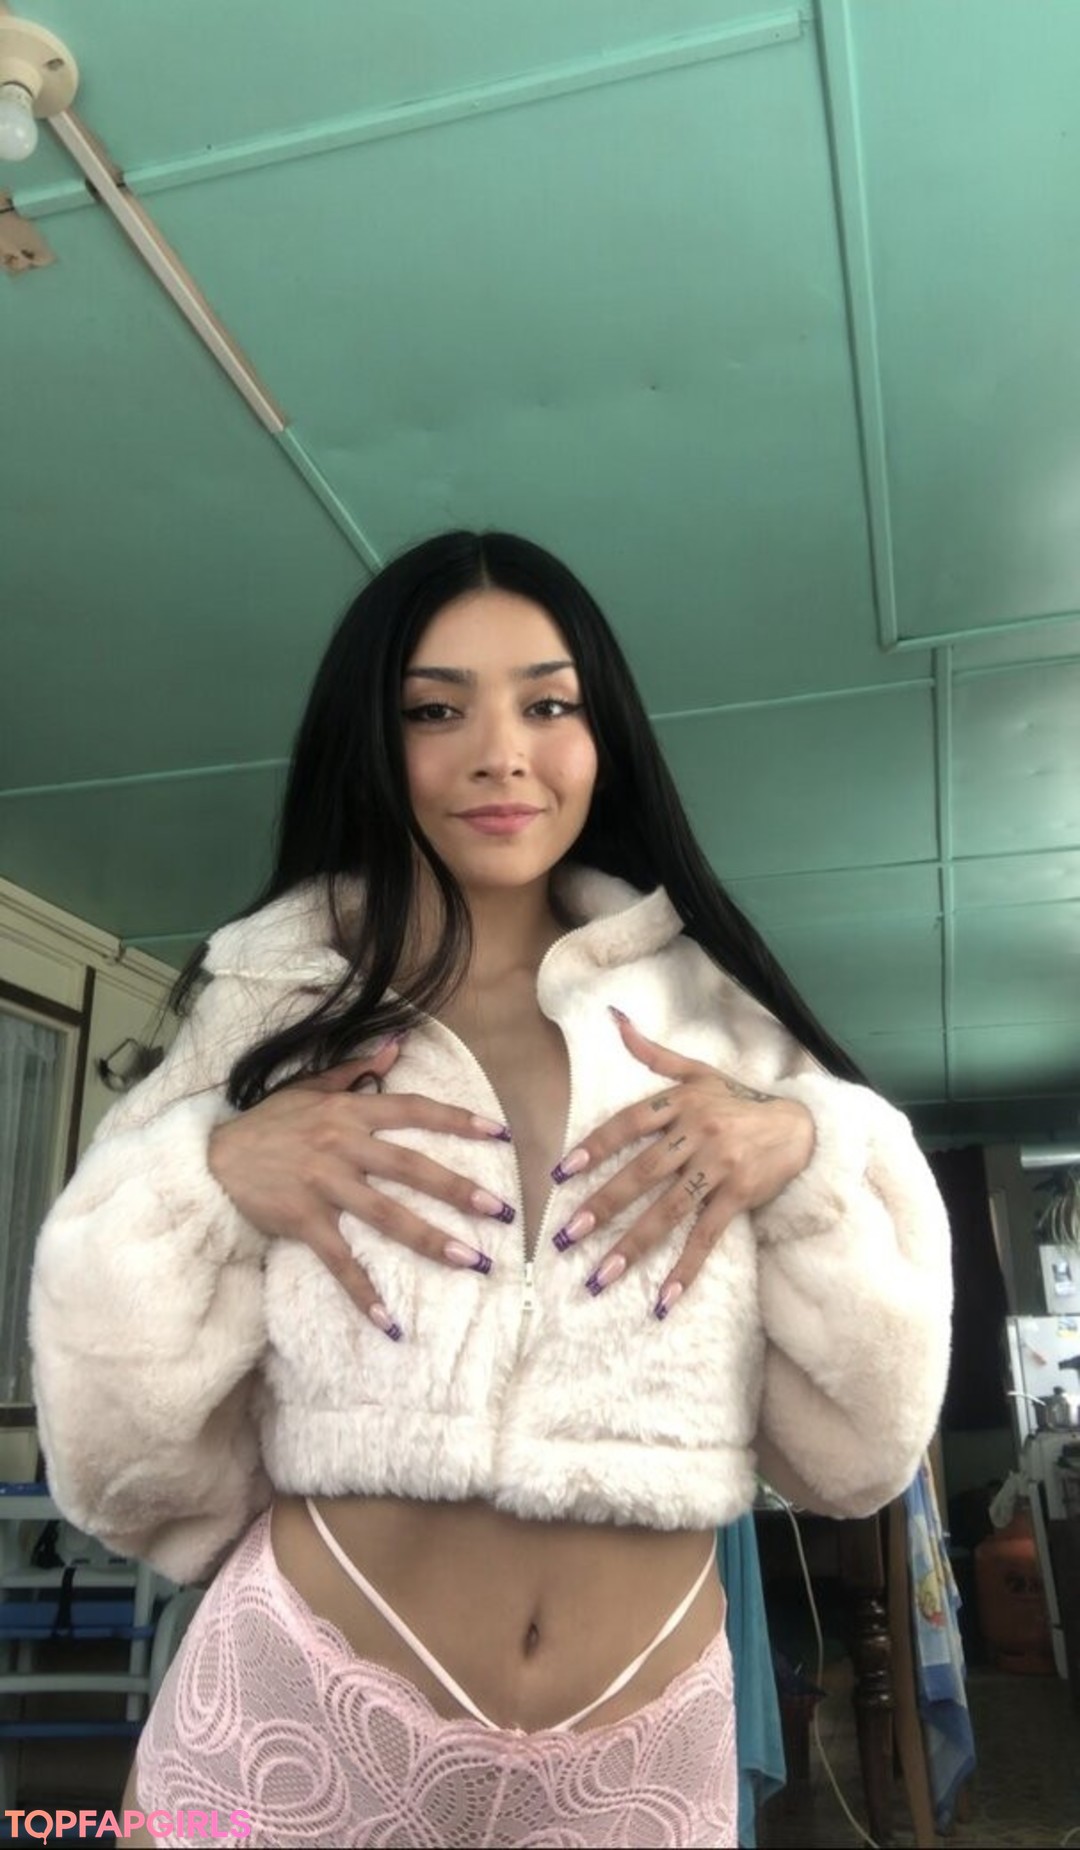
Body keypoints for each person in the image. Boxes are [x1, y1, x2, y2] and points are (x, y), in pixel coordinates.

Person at [29, 530, 953, 1849]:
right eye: (436, 709)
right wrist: (207, 1176)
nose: (501, 752)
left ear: (602, 733)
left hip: (641, 1743)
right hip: (310, 1701)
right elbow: (117, 1456)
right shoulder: (273, 1003)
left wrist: (808, 1154)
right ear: (374, 738)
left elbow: (863, 1445)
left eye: (548, 704)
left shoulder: (717, 1021)